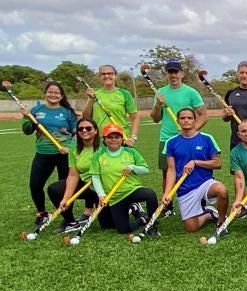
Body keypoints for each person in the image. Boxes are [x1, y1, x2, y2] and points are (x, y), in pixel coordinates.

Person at [10, 80, 76, 232]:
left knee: (65, 187)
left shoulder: (67, 113)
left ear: (61, 96)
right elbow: (27, 130)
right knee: (35, 185)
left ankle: (68, 219)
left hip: (63, 154)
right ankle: (42, 213)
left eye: (56, 92)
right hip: (43, 152)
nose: (53, 95)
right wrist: (28, 118)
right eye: (50, 92)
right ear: (45, 94)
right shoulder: (36, 110)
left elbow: (76, 134)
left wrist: (69, 147)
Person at [163, 107, 229, 233]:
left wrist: (196, 162)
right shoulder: (171, 142)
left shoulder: (206, 138)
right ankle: (209, 213)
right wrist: (167, 193)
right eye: (182, 118)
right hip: (185, 188)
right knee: (191, 228)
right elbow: (171, 170)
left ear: (194, 120)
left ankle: (221, 221)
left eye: (189, 118)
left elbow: (218, 163)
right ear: (178, 121)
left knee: (222, 190)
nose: (186, 121)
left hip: (205, 183)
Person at [47, 118, 114, 233]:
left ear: (96, 131)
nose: (84, 131)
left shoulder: (105, 149)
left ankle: (132, 207)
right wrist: (66, 198)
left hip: (104, 189)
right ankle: (71, 222)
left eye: (88, 128)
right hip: (86, 187)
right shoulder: (74, 151)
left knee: (108, 225)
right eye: (80, 129)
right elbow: (73, 176)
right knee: (54, 189)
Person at [91, 123, 158, 235]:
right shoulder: (98, 155)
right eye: (110, 137)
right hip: (115, 196)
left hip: (132, 190)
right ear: (104, 139)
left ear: (122, 139)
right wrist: (101, 194)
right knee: (122, 229)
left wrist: (133, 167)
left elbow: (145, 169)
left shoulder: (131, 152)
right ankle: (142, 219)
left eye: (117, 137)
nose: (113, 140)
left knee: (150, 194)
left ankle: (152, 225)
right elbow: (95, 177)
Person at [151, 59, 207, 187]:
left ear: (182, 74)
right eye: (170, 72)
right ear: (166, 75)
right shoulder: (160, 93)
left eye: (175, 72)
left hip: (187, 139)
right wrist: (158, 105)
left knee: (191, 170)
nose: (173, 75)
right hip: (166, 139)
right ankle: (167, 204)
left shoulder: (191, 92)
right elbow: (155, 118)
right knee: (166, 173)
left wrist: (190, 132)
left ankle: (196, 199)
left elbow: (203, 116)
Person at [82, 64, 140, 147]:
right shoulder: (94, 94)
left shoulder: (124, 94)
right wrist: (90, 99)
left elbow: (135, 117)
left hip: (120, 137)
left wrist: (133, 137)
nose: (107, 76)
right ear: (100, 77)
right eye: (103, 74)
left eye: (110, 73)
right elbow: (86, 117)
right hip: (100, 138)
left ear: (115, 76)